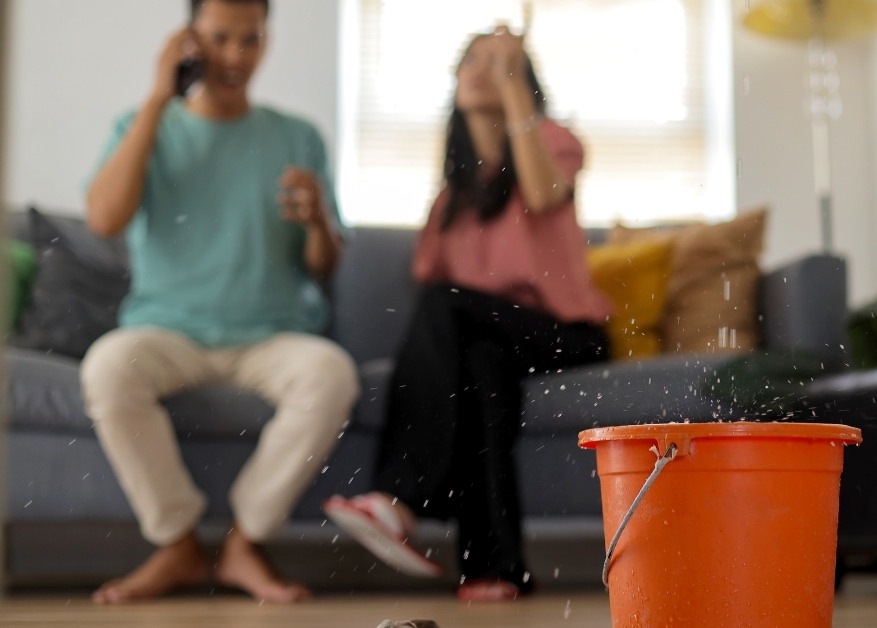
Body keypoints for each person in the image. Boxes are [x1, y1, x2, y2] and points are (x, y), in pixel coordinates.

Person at [80, 0, 359, 604]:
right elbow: (104, 218)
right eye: (220, 38)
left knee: (332, 374)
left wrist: (318, 222)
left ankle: (244, 544)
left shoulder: (298, 136)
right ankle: (177, 544)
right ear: (189, 41)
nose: (235, 55)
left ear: (266, 41)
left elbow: (325, 263)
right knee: (106, 367)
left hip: (272, 334)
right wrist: (159, 98)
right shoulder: (142, 126)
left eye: (250, 40)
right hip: (168, 330)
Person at [323, 26, 612, 602]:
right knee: (481, 369)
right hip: (496, 341)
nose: (481, 70)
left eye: (501, 63)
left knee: (447, 309)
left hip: (565, 334)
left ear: (524, 83)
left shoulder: (553, 140)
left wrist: (515, 93)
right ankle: (496, 568)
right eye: (471, 62)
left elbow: (544, 191)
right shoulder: (451, 199)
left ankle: (400, 500)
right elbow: (436, 291)